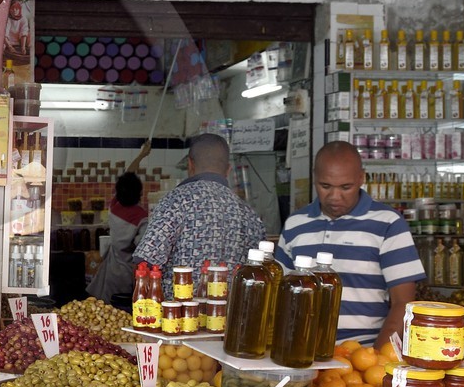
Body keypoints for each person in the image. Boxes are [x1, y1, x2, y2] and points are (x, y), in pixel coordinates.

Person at [275, 140, 425, 348]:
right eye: (325, 186)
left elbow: (404, 303)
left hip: (362, 351)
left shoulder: (388, 224)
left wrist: (377, 359)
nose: (335, 197)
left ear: (361, 178)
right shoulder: (295, 224)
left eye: (346, 187)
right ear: (314, 177)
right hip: (302, 350)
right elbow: (279, 294)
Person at [133, 133, 264, 296]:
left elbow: (145, 263)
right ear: (228, 170)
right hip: (229, 317)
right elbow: (259, 273)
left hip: (177, 317)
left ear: (190, 165)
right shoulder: (249, 213)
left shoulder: (177, 200)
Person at [86, 171, 148, 307]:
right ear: (139, 193)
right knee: (125, 308)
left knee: (108, 308)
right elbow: (143, 246)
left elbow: (124, 181)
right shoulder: (141, 217)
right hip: (128, 271)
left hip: (111, 268)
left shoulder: (113, 208)